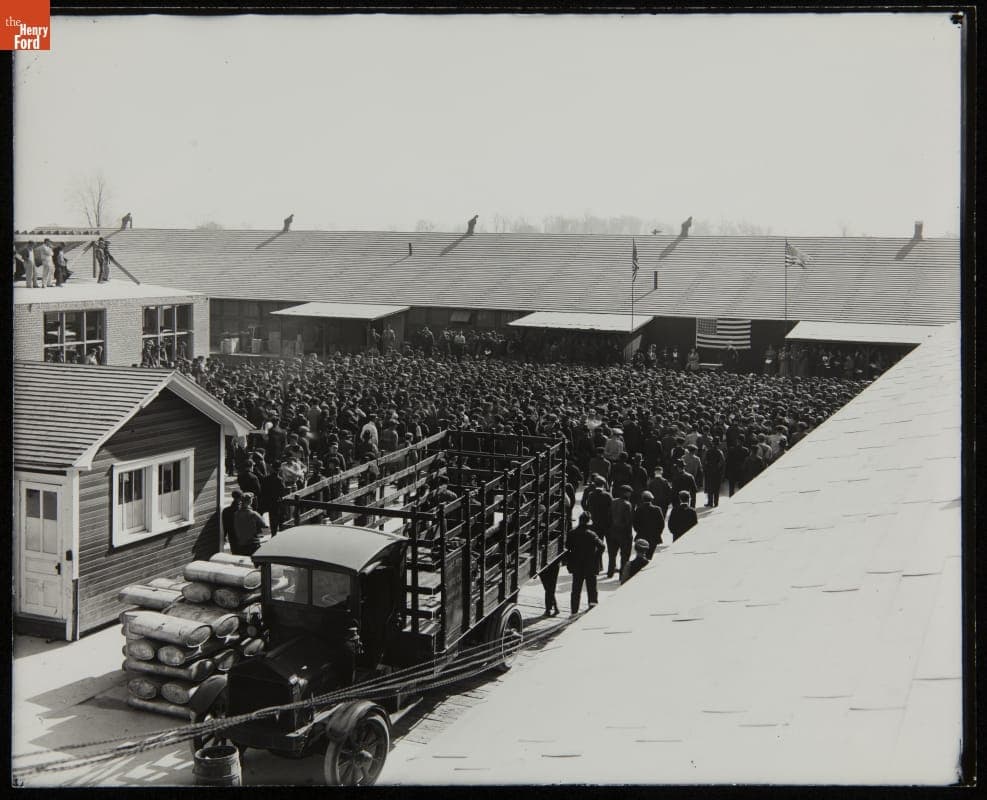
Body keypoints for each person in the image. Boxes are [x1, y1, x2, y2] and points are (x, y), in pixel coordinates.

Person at [565, 512, 605, 613]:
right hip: (590, 565)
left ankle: (574, 611)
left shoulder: (572, 533)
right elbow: (602, 546)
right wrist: (595, 556)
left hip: (577, 565)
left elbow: (567, 548)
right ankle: (592, 607)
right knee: (592, 588)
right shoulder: (591, 534)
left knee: (576, 590)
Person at [607, 485, 634, 579]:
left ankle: (610, 572)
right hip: (624, 534)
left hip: (612, 532)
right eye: (629, 492)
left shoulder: (613, 502)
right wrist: (630, 535)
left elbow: (609, 517)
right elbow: (628, 522)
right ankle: (622, 574)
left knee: (612, 554)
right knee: (624, 555)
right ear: (626, 493)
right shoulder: (627, 504)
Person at [632, 490, 664, 558]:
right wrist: (658, 533)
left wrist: (638, 531)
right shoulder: (657, 509)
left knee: (641, 555)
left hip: (642, 535)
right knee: (650, 555)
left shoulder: (639, 509)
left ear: (642, 499)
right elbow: (661, 524)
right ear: (652, 499)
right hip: (653, 536)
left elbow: (635, 523)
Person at [703, 438, 725, 507]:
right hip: (717, 472)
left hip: (709, 471)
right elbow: (722, 462)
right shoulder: (720, 452)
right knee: (716, 487)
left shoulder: (708, 451)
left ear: (712, 443)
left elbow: (705, 461)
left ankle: (710, 502)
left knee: (709, 487)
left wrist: (708, 468)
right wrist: (717, 468)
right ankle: (716, 503)